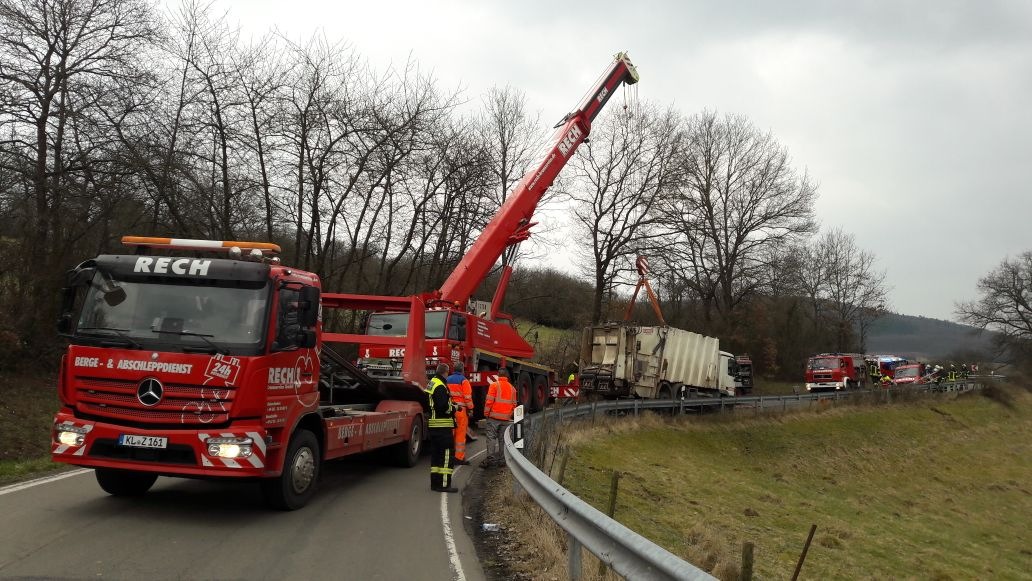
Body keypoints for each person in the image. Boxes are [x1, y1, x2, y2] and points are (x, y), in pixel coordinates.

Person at [425, 363, 457, 493]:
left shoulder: (432, 383)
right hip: (443, 427)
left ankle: (435, 483)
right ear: (446, 372)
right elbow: (443, 407)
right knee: (446, 456)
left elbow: (434, 404)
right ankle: (444, 485)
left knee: (436, 455)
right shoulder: (440, 386)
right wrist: (455, 408)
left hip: (434, 425)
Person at [482, 368, 517, 468]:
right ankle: (502, 460)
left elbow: (489, 401)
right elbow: (514, 405)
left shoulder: (494, 386)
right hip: (505, 419)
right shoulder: (512, 388)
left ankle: (491, 461)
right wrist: (508, 414)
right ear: (506, 376)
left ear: (498, 375)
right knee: (503, 440)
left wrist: (486, 413)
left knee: (491, 438)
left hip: (493, 417)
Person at [447, 363, 474, 466]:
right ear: (462, 370)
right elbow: (467, 397)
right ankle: (459, 458)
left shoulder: (447, 379)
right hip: (460, 411)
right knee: (460, 434)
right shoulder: (464, 381)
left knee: (450, 433)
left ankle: (448, 456)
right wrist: (471, 409)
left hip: (449, 410)